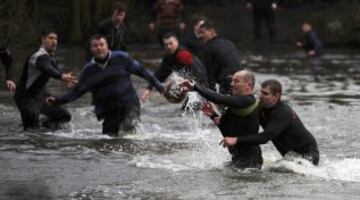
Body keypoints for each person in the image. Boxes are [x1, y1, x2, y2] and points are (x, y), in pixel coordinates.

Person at [46, 34, 165, 137]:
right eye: (95, 46)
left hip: (129, 102)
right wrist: (57, 101)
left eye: (102, 45)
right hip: (108, 110)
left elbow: (144, 72)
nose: (99, 48)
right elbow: (76, 92)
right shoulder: (88, 71)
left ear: (107, 45)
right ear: (91, 49)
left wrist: (159, 86)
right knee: (108, 140)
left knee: (129, 131)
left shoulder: (122, 58)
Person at [221, 79, 320, 165]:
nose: (261, 96)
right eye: (261, 92)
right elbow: (242, 125)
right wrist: (215, 116)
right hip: (289, 157)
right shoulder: (259, 107)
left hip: (308, 156)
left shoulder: (283, 112)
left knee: (278, 170)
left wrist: (236, 140)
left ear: (276, 96)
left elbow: (265, 137)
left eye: (265, 93)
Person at [180, 70, 263, 169]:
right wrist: (213, 115)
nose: (232, 84)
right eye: (232, 81)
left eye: (236, 81)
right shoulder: (238, 105)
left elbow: (220, 98)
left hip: (250, 161)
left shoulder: (247, 100)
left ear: (248, 85)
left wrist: (195, 87)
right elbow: (229, 133)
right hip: (238, 158)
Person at [14, 29, 77, 131]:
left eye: (56, 39)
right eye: (51, 38)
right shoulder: (38, 56)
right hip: (26, 97)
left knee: (64, 115)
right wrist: (61, 76)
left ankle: (45, 127)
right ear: (43, 40)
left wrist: (65, 76)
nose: (54, 41)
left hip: (41, 95)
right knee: (31, 130)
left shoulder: (50, 56)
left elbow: (53, 69)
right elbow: (47, 68)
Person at [141, 32, 208, 102]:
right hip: (192, 87)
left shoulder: (183, 54)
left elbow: (200, 73)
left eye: (171, 43)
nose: (168, 47)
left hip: (202, 86)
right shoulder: (168, 57)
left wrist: (204, 93)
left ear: (176, 41)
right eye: (166, 45)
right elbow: (159, 74)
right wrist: (148, 89)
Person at [198, 20, 242, 94]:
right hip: (242, 78)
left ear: (212, 31)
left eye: (203, 32)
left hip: (227, 81)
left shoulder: (208, 48)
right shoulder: (229, 43)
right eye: (200, 33)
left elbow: (209, 75)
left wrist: (210, 95)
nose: (201, 36)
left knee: (225, 103)